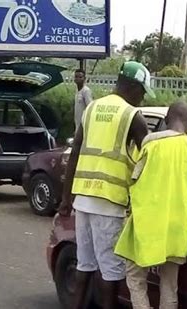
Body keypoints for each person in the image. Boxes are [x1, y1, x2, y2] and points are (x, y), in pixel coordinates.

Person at [58, 61, 155, 309]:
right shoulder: (132, 116)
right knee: (110, 272)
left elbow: (76, 151)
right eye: (142, 92)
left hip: (83, 201)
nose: (142, 99)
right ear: (133, 87)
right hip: (110, 203)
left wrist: (66, 199)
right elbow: (151, 161)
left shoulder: (92, 109)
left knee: (85, 266)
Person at [114, 101, 187, 309]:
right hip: (178, 231)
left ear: (165, 121)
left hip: (147, 228)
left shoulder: (150, 147)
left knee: (135, 278)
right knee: (169, 285)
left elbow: (133, 181)